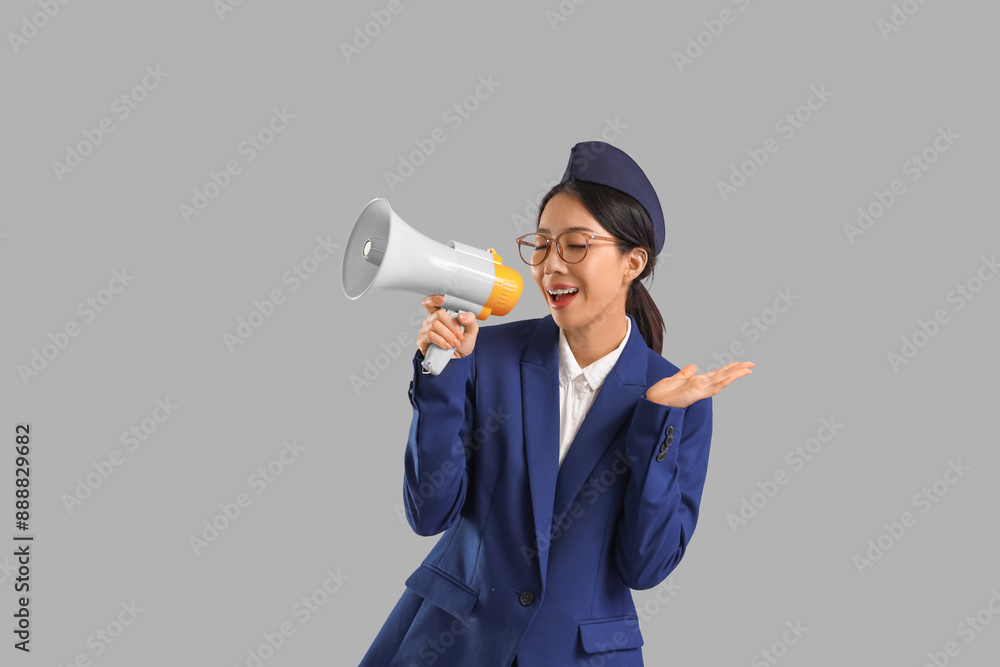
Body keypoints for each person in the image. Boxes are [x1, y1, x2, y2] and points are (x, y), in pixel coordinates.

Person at [357, 141, 754, 667]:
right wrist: (439, 374)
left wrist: (655, 419)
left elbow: (645, 567)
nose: (549, 267)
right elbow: (429, 514)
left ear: (633, 261)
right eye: (542, 245)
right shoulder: (484, 356)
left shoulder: (680, 397)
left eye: (575, 246)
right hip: (452, 645)